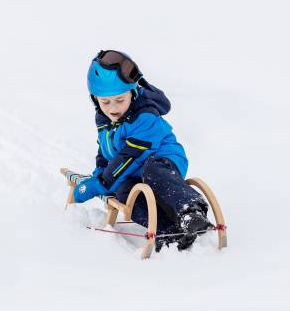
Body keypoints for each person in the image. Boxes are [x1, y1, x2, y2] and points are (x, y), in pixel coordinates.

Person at [71, 50, 212, 251]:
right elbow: (105, 151)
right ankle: (168, 231)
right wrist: (99, 174)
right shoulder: (104, 119)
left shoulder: (145, 116)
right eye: (105, 102)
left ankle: (191, 211)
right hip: (134, 171)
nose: (112, 108)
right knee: (124, 192)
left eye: (120, 100)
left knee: (152, 169)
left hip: (163, 160)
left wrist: (102, 183)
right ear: (95, 99)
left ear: (133, 92)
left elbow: (131, 155)